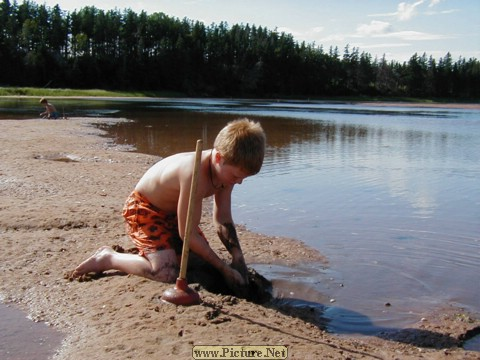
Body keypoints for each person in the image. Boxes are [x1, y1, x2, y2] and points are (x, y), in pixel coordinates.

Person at [73, 118, 266, 295]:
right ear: (218, 158)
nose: (239, 182)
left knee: (200, 264)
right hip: (145, 210)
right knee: (165, 273)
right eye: (236, 176)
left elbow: (222, 218)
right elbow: (188, 234)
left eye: (243, 178)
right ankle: (109, 258)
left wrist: (237, 256)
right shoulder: (194, 173)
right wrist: (224, 268)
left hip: (175, 214)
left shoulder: (227, 170)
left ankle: (159, 252)